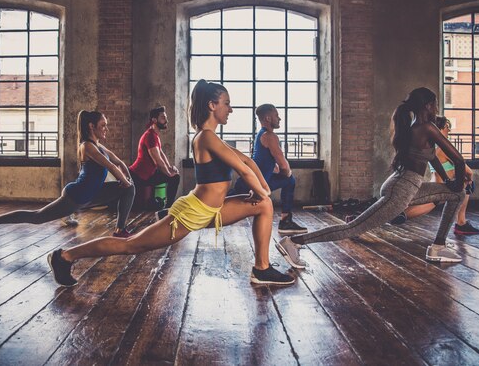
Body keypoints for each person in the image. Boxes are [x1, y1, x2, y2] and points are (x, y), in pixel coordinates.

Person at [47, 80, 295, 287]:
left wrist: (261, 191)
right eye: (226, 104)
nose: (230, 109)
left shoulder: (213, 138)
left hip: (214, 210)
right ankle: (65, 256)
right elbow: (242, 168)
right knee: (132, 245)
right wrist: (262, 189)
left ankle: (262, 269)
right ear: (212, 105)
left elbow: (247, 162)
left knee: (264, 206)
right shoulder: (205, 137)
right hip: (193, 213)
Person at [276, 87, 467, 268]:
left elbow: (432, 157)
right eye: (434, 104)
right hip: (401, 189)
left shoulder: (414, 127)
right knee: (353, 228)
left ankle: (439, 246)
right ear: (427, 106)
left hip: (407, 186)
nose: (436, 108)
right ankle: (293, 242)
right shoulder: (427, 127)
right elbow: (458, 160)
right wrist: (457, 184)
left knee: (456, 195)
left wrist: (449, 182)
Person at [0, 111, 136, 244]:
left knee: (129, 189)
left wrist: (129, 180)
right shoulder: (87, 146)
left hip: (93, 194)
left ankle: (120, 230)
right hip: (76, 196)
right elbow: (111, 167)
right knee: (37, 217)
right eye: (103, 125)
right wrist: (124, 181)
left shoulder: (99, 147)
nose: (106, 128)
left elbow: (118, 162)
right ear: (91, 126)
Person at [229, 104, 307, 235]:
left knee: (289, 181)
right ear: (268, 118)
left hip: (257, 182)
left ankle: (286, 222)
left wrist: (277, 169)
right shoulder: (270, 136)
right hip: (251, 185)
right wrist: (287, 172)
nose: (279, 118)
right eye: (276, 115)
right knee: (219, 204)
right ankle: (285, 222)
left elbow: (270, 162)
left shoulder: (261, 134)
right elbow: (283, 166)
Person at [394, 116, 479, 235]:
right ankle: (460, 223)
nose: (449, 130)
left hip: (436, 181)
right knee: (465, 185)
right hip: (442, 185)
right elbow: (468, 171)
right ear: (438, 130)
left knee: (462, 188)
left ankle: (461, 222)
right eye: (446, 127)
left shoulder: (432, 147)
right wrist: (469, 179)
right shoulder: (444, 149)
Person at [129, 106, 180, 219]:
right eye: (163, 118)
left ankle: (168, 208)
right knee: (174, 178)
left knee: (174, 176)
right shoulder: (150, 136)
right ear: (154, 120)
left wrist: (170, 168)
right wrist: (169, 173)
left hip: (148, 175)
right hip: (138, 176)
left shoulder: (155, 135)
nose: (166, 120)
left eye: (165, 117)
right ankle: (167, 210)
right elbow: (157, 160)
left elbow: (161, 154)